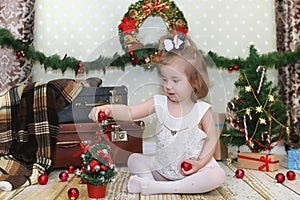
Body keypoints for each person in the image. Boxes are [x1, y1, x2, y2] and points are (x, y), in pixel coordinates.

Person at [89, 32, 226, 195]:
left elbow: (212, 139)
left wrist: (201, 162)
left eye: (175, 80)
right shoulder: (159, 103)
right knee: (134, 159)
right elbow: (131, 112)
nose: (168, 86)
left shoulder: (202, 110)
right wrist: (110, 109)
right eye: (164, 79)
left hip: (192, 171)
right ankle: (150, 182)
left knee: (217, 175)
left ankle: (155, 187)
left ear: (195, 81)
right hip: (163, 168)